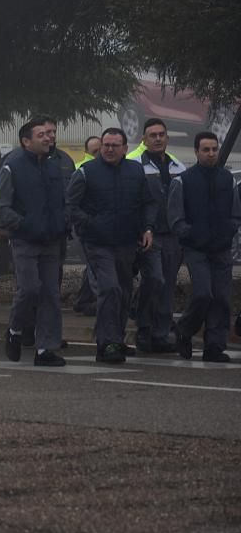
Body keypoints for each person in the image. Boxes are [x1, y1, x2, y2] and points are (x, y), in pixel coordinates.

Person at [66, 127, 157, 364]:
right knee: (109, 288)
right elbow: (70, 205)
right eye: (106, 144)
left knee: (124, 292)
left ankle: (116, 338)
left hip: (127, 243)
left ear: (125, 149)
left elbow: (148, 203)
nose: (109, 149)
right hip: (97, 243)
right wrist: (90, 224)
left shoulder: (135, 171)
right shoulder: (87, 172)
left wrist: (147, 228)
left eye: (115, 145)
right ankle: (106, 344)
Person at [0, 117, 68, 367]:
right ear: (26, 141)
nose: (48, 138)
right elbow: (1, 207)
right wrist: (24, 224)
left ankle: (45, 349)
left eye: (50, 134)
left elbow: (61, 202)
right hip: (25, 240)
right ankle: (15, 330)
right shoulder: (12, 165)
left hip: (51, 240)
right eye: (41, 135)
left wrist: (62, 224)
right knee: (29, 289)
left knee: (50, 294)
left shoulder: (53, 165)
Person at [169, 132, 240, 362]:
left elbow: (235, 213)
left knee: (221, 298)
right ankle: (184, 330)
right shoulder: (183, 180)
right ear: (196, 152)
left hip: (221, 248)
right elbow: (175, 217)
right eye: (206, 150)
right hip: (196, 249)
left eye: (214, 149)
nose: (211, 154)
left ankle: (214, 347)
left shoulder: (227, 179)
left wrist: (229, 230)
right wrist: (188, 234)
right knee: (202, 294)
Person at [128, 118, 186, 353]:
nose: (158, 138)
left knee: (168, 285)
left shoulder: (178, 167)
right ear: (144, 139)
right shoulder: (134, 165)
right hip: (147, 235)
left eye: (161, 134)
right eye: (152, 135)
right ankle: (144, 328)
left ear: (167, 138)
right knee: (155, 280)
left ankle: (160, 334)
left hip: (173, 235)